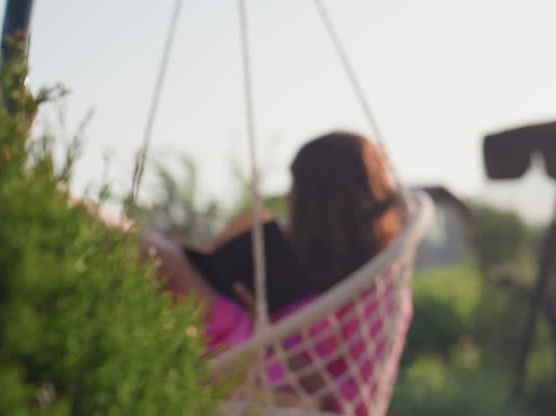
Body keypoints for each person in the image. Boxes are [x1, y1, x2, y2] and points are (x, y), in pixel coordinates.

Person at [135, 131, 406, 353]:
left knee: (151, 249)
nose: (289, 197)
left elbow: (349, 391)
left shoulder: (378, 295)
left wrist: (268, 334)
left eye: (297, 187)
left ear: (321, 199)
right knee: (152, 249)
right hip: (249, 344)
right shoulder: (319, 261)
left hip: (260, 358)